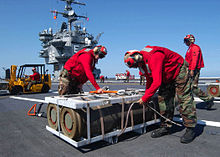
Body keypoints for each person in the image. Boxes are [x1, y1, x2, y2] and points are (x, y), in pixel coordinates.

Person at [124, 45, 197, 144]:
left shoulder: (154, 56)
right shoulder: (142, 64)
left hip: (179, 70)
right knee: (163, 99)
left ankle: (190, 128)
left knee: (184, 98)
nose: (138, 67)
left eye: (137, 65)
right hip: (166, 76)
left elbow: (157, 82)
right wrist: (147, 95)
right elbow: (150, 79)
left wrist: (145, 98)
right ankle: (166, 126)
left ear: (137, 57)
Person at [184, 34, 214, 110]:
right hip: (190, 69)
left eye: (186, 41)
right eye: (184, 41)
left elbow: (195, 60)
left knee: (193, 87)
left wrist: (192, 70)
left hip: (194, 70)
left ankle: (208, 99)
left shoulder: (195, 48)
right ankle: (188, 105)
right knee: (188, 87)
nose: (185, 43)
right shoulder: (189, 49)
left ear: (190, 41)